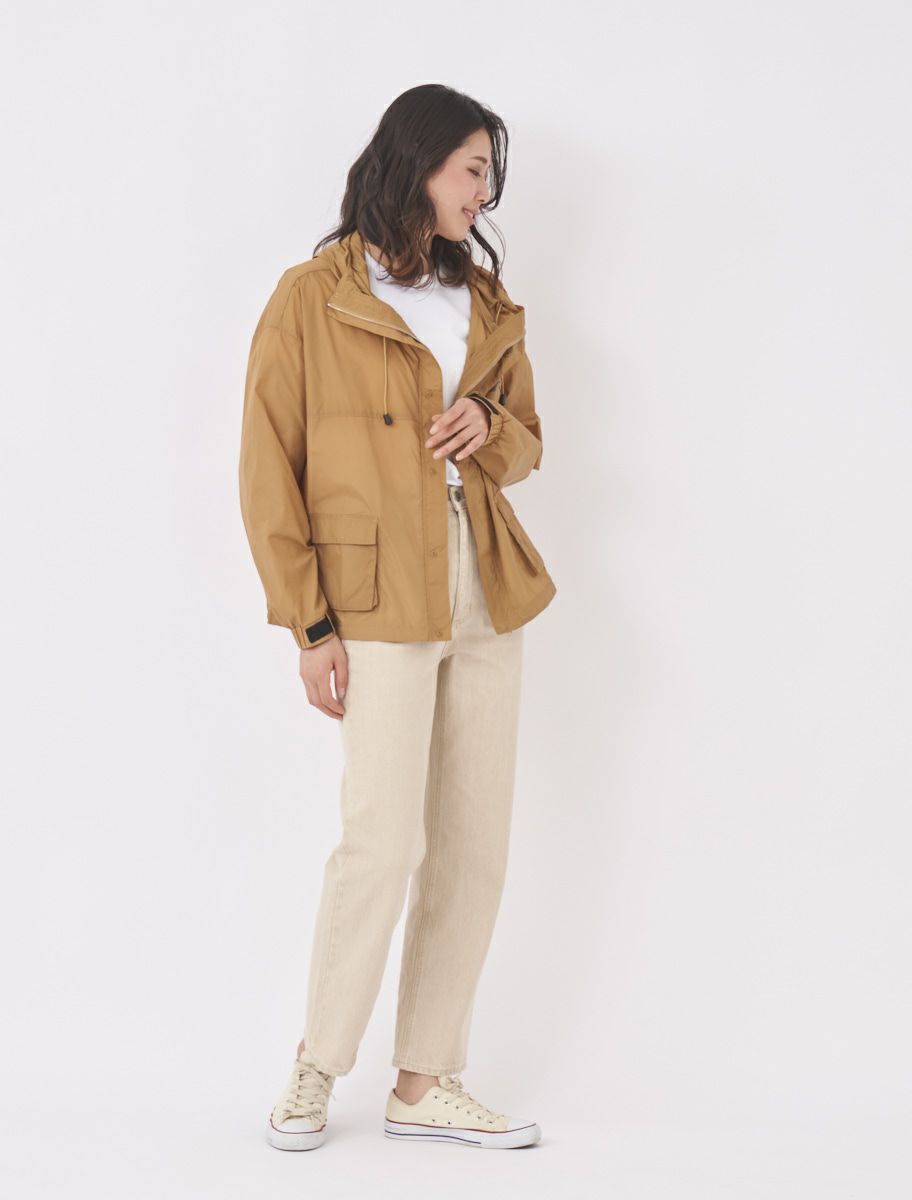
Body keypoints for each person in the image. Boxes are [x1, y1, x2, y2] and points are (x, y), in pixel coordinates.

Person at [238, 83, 557, 1152]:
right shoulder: (313, 297)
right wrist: (309, 627)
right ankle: (316, 1065)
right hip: (375, 596)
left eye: (489, 174)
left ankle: (425, 1080)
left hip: (484, 583)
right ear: (416, 163)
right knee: (381, 840)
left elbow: (528, 444)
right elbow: (268, 468)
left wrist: (489, 424)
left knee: (473, 843)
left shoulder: (486, 300)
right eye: (472, 168)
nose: (485, 192)